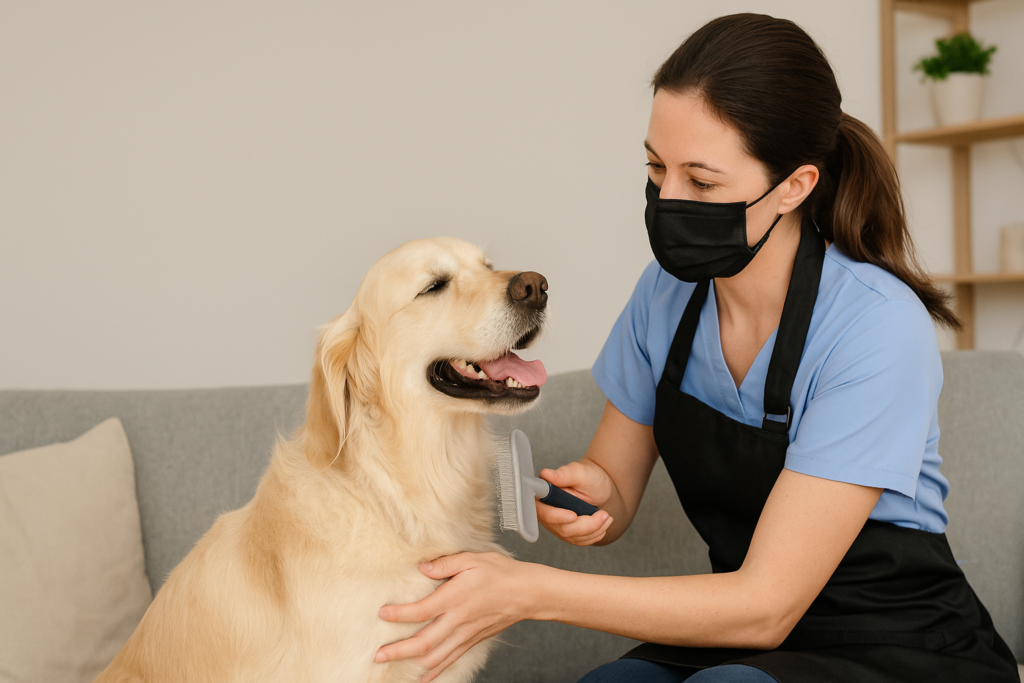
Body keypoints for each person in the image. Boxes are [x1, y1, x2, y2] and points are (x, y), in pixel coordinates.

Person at [372, 13, 1022, 683]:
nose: (668, 198)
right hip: (741, 634)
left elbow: (766, 605)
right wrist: (596, 492)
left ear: (795, 186)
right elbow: (615, 485)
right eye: (656, 167)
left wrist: (532, 590)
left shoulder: (875, 326)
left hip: (896, 643)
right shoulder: (665, 295)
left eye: (702, 182)